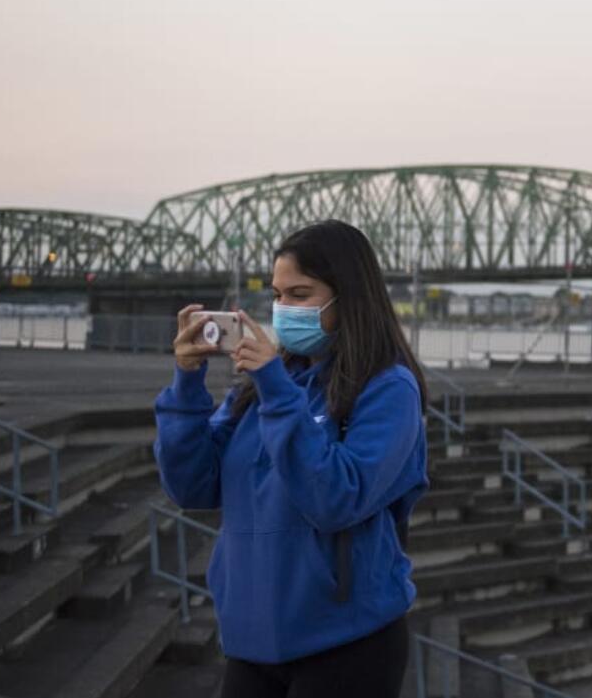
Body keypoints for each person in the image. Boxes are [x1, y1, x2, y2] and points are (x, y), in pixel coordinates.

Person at [153, 219, 429, 698]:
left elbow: (334, 498)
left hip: (348, 641)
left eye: (300, 294)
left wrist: (278, 390)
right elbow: (191, 485)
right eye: (277, 295)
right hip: (252, 639)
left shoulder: (388, 388)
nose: (282, 310)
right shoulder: (259, 390)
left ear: (349, 298)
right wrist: (186, 381)